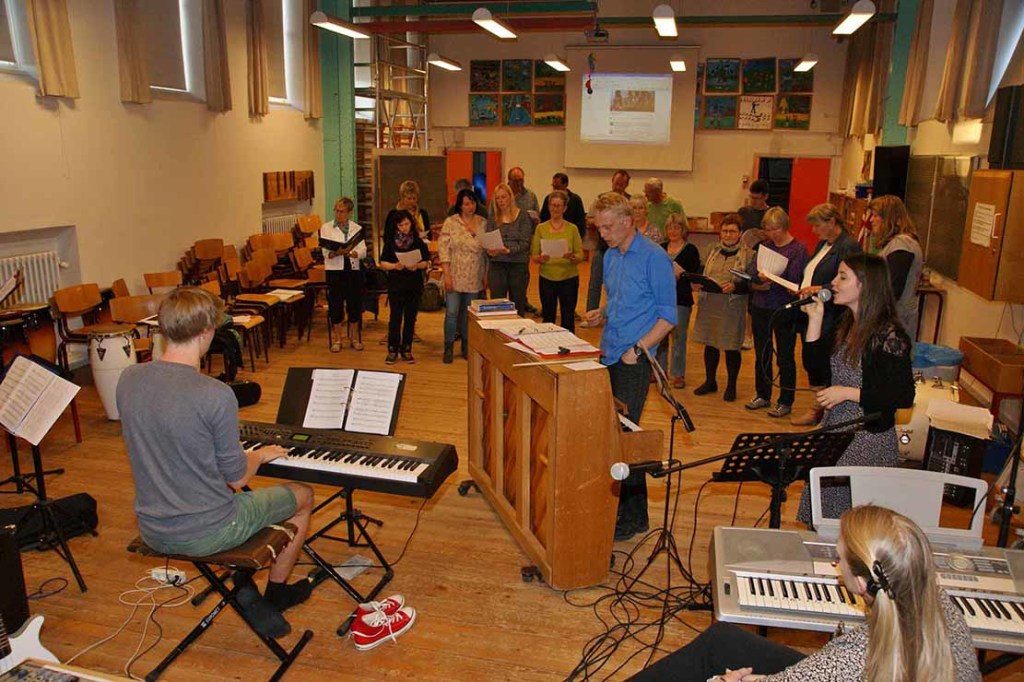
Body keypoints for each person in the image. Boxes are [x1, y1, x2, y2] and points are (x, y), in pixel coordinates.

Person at [117, 287, 314, 639]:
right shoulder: (215, 394)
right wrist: (259, 454)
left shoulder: (129, 379)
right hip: (209, 531)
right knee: (302, 495)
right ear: (207, 332)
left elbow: (172, 440)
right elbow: (237, 479)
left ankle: (241, 581)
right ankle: (278, 593)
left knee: (224, 491)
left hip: (153, 527)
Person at [628, 505, 981, 682]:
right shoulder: (940, 603)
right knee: (723, 641)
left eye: (838, 560)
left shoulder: (847, 660)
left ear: (862, 585)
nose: (834, 565)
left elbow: (818, 674)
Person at [583, 192, 676, 542]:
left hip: (633, 359)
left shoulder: (655, 258)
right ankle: (632, 514)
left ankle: (631, 516)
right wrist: (602, 312)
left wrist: (638, 350)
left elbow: (668, 317)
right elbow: (620, 298)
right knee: (617, 436)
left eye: (607, 227)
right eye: (599, 228)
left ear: (627, 221)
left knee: (624, 437)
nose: (603, 234)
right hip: (608, 351)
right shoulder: (610, 255)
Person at [796, 253, 915, 525]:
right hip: (836, 428)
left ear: (865, 285)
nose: (833, 283)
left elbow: (903, 396)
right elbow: (817, 373)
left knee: (849, 522)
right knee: (822, 517)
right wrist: (815, 321)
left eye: (842, 277)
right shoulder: (847, 324)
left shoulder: (890, 335)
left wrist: (848, 393)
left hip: (867, 438)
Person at [792, 203, 863, 426]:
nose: (814, 231)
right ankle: (819, 406)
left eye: (817, 225)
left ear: (832, 222)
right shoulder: (824, 243)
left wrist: (820, 288)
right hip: (815, 310)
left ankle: (821, 410)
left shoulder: (848, 246)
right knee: (812, 360)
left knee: (824, 363)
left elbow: (850, 281)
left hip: (833, 314)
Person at [745, 208, 807, 418]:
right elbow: (752, 273)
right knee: (761, 353)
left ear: (785, 226)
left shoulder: (798, 249)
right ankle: (763, 394)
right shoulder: (765, 246)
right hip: (760, 305)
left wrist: (773, 278)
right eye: (768, 229)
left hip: (783, 308)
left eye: (775, 229)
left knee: (785, 356)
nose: (772, 233)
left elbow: (795, 278)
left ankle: (785, 400)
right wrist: (758, 280)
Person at [692, 214, 753, 402]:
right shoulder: (711, 250)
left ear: (740, 233)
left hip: (732, 306)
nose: (728, 235)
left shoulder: (749, 255)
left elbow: (752, 283)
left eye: (732, 231)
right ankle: (710, 381)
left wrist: (736, 286)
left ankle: (731, 386)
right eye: (725, 231)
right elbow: (701, 271)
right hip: (710, 303)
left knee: (731, 346)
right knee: (710, 343)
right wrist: (698, 282)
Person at [439, 188, 487, 363]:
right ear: (459, 205)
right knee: (452, 312)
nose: (470, 207)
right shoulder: (451, 222)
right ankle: (448, 346)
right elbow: (443, 249)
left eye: (472, 203)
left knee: (468, 314)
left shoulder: (483, 223)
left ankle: (467, 346)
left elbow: (486, 250)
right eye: (466, 204)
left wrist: (486, 275)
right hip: (455, 273)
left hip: (474, 274)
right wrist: (447, 274)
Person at [379, 209, 431, 364]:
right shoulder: (390, 242)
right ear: (396, 226)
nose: (404, 228)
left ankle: (407, 348)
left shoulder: (418, 241)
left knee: (410, 318)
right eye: (401, 225)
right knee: (395, 318)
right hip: (396, 283)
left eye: (407, 224)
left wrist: (418, 265)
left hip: (413, 283)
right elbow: (383, 263)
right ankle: (392, 349)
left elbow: (426, 261)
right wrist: (395, 266)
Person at [655, 213, 700, 389]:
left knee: (679, 338)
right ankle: (660, 371)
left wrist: (682, 274)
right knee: (660, 337)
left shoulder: (691, 250)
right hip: (660, 299)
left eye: (677, 228)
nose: (673, 231)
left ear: (683, 230)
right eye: (670, 228)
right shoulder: (660, 248)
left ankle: (678, 374)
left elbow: (693, 275)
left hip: (681, 299)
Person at [869, 195, 922, 340]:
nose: (871, 220)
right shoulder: (896, 243)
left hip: (896, 321)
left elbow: (893, 289)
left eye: (875, 216)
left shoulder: (902, 245)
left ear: (889, 218)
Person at [582, 170, 631, 327]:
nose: (618, 186)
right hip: (602, 249)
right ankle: (590, 315)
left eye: (622, 184)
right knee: (595, 283)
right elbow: (589, 218)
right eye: (616, 183)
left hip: (622, 251)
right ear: (612, 181)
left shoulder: (629, 202)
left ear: (627, 185)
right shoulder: (601, 199)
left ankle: (615, 315)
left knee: (619, 285)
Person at [531, 190, 583, 332]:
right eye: (553, 205)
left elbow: (580, 255)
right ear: (549, 206)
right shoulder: (541, 228)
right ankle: (548, 343)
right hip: (547, 277)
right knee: (548, 317)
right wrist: (541, 258)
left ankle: (568, 343)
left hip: (569, 278)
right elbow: (534, 255)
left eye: (559, 206)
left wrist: (572, 257)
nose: (555, 209)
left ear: (564, 208)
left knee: (568, 317)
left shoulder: (572, 229)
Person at [320, 197, 367, 351]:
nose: (338, 214)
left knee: (354, 303)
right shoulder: (326, 228)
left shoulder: (356, 228)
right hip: (334, 269)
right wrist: (336, 252)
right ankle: (338, 339)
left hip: (352, 268)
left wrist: (352, 253)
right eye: (337, 211)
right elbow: (325, 251)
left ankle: (353, 338)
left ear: (349, 213)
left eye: (342, 212)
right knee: (336, 303)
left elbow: (363, 251)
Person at [485, 182, 533, 316]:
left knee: (517, 303)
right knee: (497, 304)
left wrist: (509, 250)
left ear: (510, 197)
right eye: (497, 198)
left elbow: (525, 242)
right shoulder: (493, 218)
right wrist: (489, 250)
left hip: (517, 264)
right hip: (497, 264)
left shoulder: (523, 216)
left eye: (503, 197)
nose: (501, 201)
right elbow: (488, 238)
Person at [540, 173, 587, 241]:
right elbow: (543, 218)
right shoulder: (548, 198)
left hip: (570, 236)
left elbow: (581, 222)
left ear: (566, 185)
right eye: (553, 186)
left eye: (557, 187)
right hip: (550, 236)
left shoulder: (576, 199)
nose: (555, 189)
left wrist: (575, 237)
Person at [643, 177, 684, 242]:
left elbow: (683, 227)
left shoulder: (674, 205)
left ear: (658, 192)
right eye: (645, 192)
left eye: (649, 193)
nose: (645, 195)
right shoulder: (646, 206)